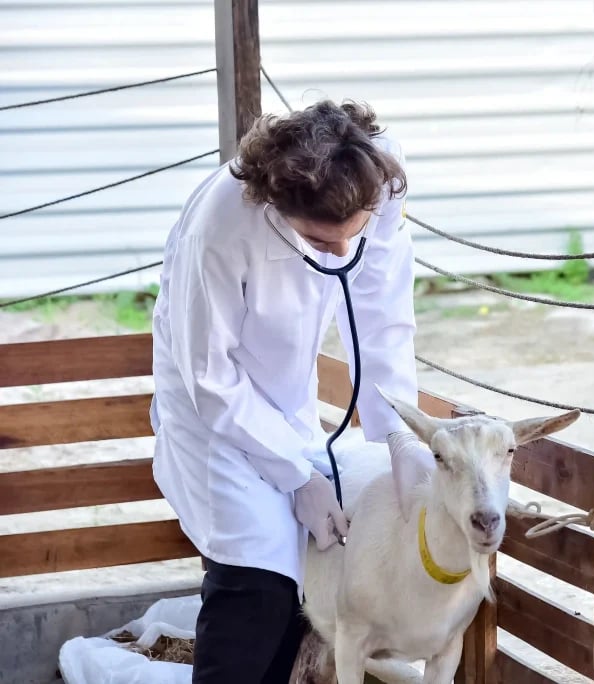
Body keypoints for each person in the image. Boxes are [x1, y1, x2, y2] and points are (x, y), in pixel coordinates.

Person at [149, 99, 435, 683]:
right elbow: (211, 377)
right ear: (278, 207)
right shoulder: (222, 229)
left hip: (284, 397)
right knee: (255, 580)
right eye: (318, 242)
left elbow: (381, 305)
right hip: (212, 416)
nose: (337, 256)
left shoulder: (380, 173)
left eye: (346, 239)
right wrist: (297, 474)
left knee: (295, 587)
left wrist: (397, 433)